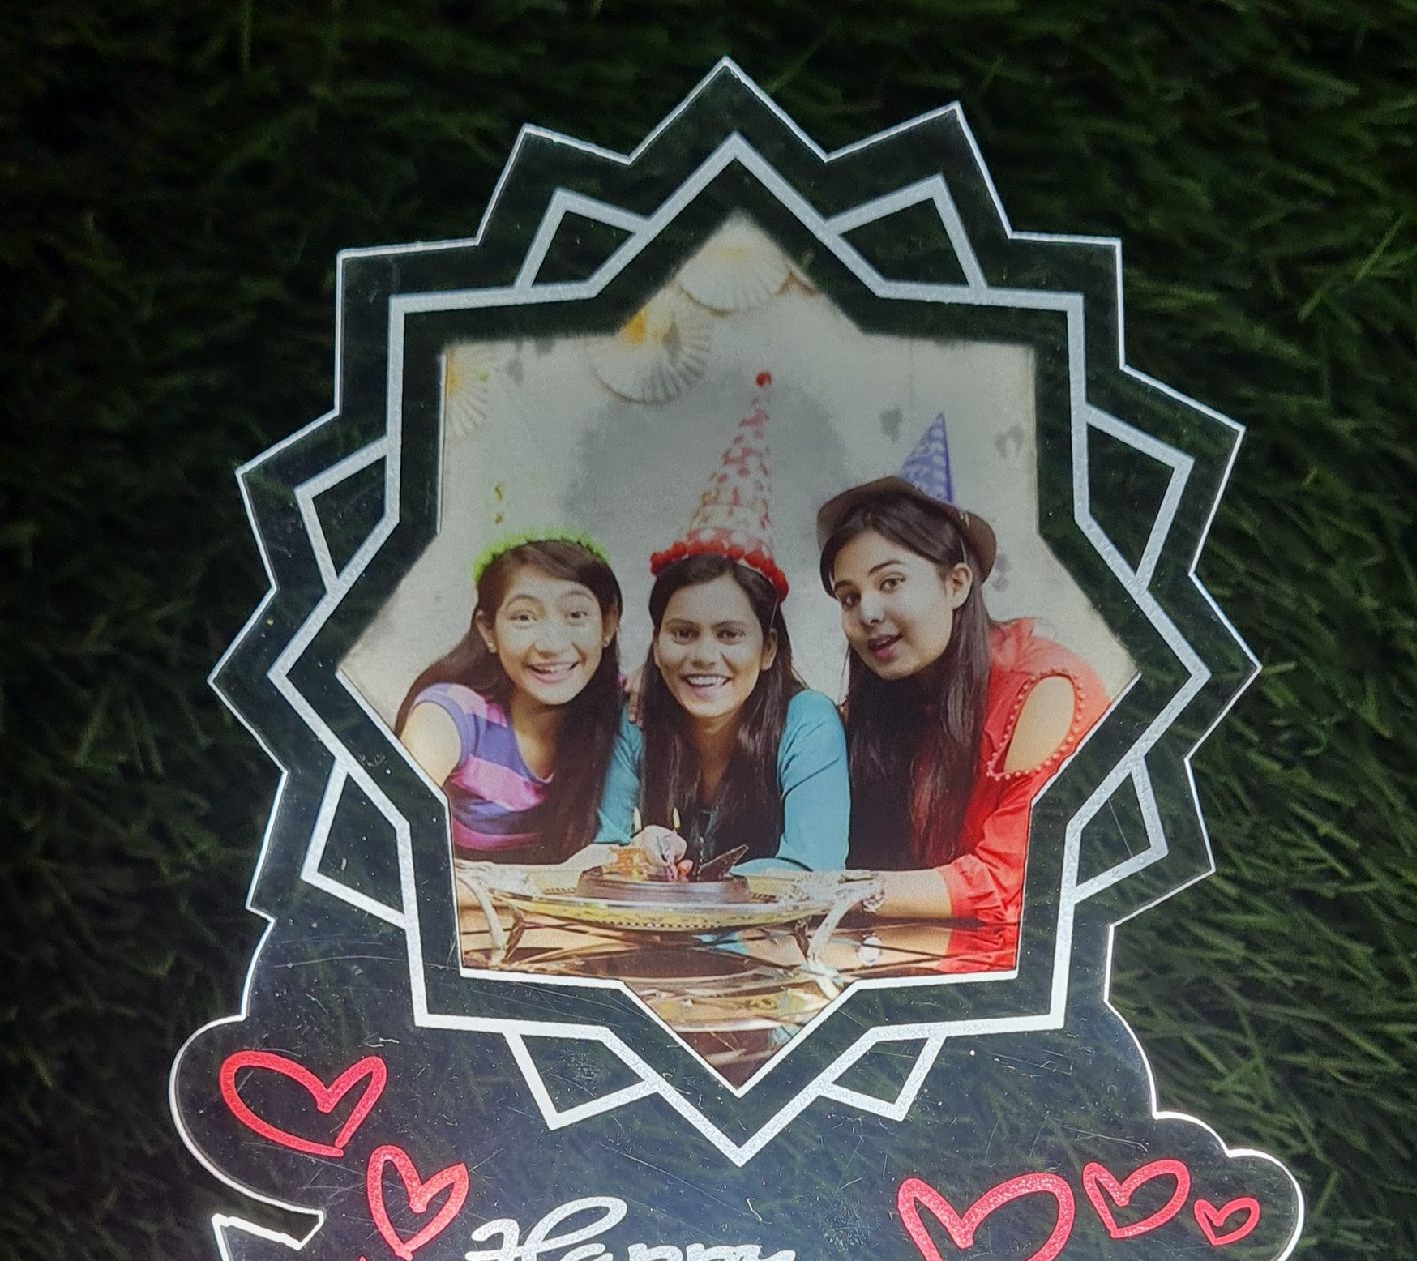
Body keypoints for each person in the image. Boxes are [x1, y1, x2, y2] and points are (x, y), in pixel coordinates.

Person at [818, 446, 1108, 955]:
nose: (867, 612)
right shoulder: (881, 706)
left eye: (890, 582)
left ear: (956, 584)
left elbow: (1014, 882)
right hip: (911, 955)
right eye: (849, 597)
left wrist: (844, 892)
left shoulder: (1045, 690)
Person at [596, 373, 848, 875]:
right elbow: (604, 850)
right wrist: (635, 855)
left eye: (729, 634)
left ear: (769, 647)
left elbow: (813, 868)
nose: (704, 656)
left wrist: (699, 886)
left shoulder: (807, 723)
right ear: (656, 641)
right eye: (683, 633)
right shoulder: (638, 720)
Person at [396, 534, 623, 865]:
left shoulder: (620, 708)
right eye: (524, 618)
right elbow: (389, 845)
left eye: (575, 614)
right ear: (488, 631)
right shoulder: (450, 716)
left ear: (608, 624)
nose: (551, 644)